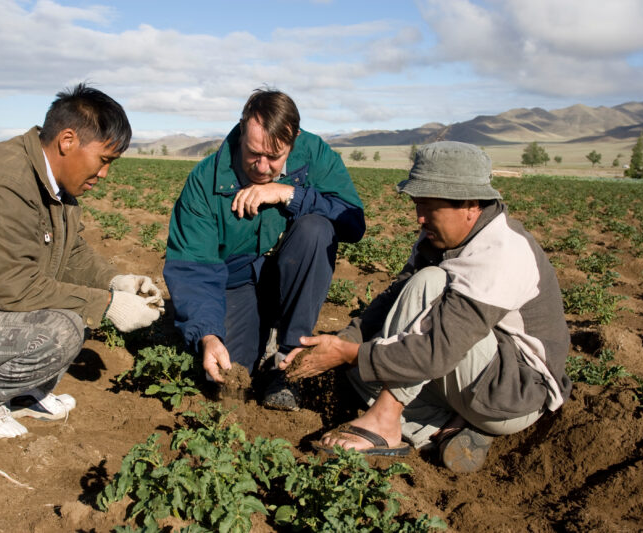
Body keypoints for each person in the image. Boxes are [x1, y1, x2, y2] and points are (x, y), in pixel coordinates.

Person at [281, 141, 572, 472]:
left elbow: (436, 349)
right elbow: (391, 301)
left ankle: (387, 421)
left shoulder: (501, 252)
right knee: (361, 370)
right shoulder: (441, 238)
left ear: (470, 205)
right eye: (417, 205)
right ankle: (446, 426)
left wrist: (349, 354)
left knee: (428, 286)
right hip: (469, 374)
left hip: (512, 392)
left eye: (429, 207)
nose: (419, 218)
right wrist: (345, 343)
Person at [0, 84, 163, 438]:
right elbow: (14, 288)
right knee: (63, 329)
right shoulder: (4, 184)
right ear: (67, 141)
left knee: (73, 313)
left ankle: (18, 391)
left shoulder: (54, 185)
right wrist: (110, 304)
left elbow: (72, 251)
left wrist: (116, 282)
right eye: (104, 160)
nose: (105, 174)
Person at [163, 88, 365, 410]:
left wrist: (289, 194)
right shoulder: (206, 179)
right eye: (253, 153)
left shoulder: (315, 154)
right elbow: (194, 267)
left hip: (294, 273)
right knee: (229, 379)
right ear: (242, 130)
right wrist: (208, 334)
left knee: (316, 229)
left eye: (274, 157)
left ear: (293, 139)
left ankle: (287, 360)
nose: (261, 166)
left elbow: (353, 223)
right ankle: (256, 343)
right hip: (238, 281)